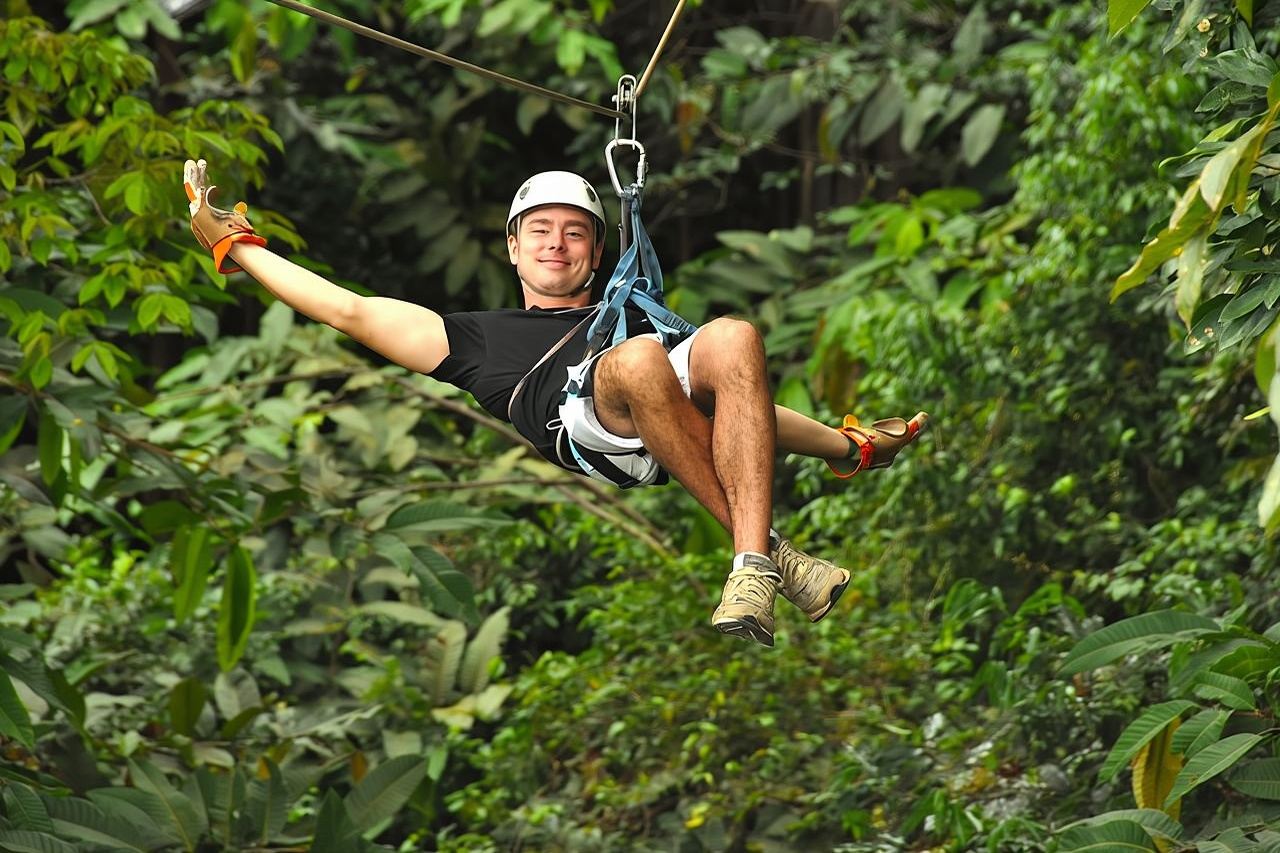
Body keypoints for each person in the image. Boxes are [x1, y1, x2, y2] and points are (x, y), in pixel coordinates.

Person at [183, 159, 927, 647]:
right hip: (584, 426)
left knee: (732, 336)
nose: (556, 244)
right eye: (539, 231)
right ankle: (765, 555)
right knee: (637, 359)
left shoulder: (632, 313)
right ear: (512, 248)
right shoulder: (474, 338)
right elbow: (349, 310)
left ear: (595, 254)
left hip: (661, 407)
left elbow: (746, 406)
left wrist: (848, 445)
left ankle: (757, 563)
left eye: (575, 234)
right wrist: (238, 246)